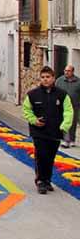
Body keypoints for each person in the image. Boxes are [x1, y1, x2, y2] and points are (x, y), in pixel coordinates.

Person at [23, 66, 74, 194]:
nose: (45, 80)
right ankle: (40, 181)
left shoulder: (62, 95)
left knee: (50, 157)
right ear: (40, 78)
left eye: (48, 77)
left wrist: (64, 126)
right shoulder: (32, 94)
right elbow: (26, 110)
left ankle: (47, 180)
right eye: (43, 77)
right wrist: (34, 120)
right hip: (39, 131)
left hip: (55, 131)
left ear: (53, 78)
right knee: (41, 155)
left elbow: (69, 111)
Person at [57, 65, 80, 148]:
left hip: (74, 106)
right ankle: (65, 140)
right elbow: (55, 91)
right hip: (62, 106)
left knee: (73, 123)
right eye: (65, 70)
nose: (66, 72)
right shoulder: (59, 81)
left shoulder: (78, 82)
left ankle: (72, 140)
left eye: (68, 71)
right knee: (65, 122)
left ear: (72, 72)